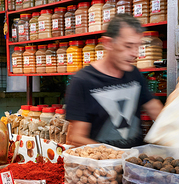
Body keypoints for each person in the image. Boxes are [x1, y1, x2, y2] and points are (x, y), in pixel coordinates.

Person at [65, 15, 163, 148]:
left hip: (134, 163)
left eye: (137, 46)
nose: (135, 53)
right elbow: (76, 137)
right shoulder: (83, 81)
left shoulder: (134, 74)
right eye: (128, 46)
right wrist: (116, 156)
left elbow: (155, 110)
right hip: (102, 166)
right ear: (108, 43)